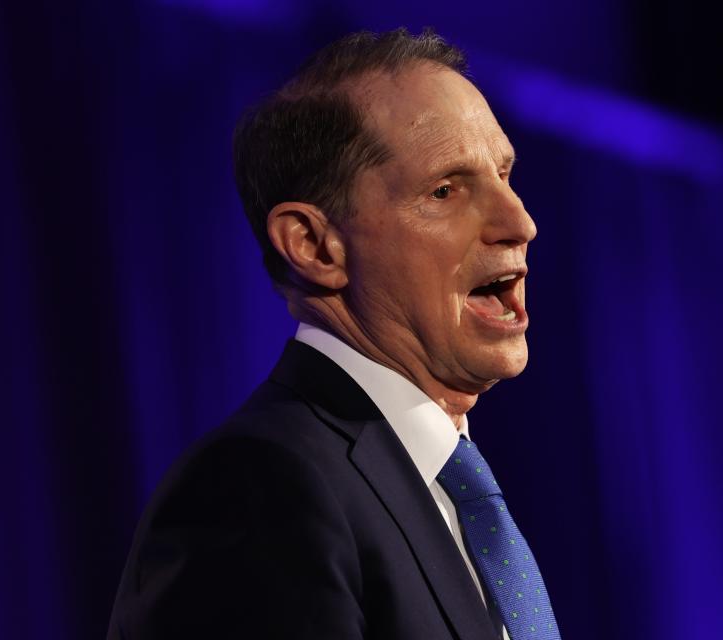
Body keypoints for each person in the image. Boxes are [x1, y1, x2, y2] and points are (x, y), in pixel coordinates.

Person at [108, 28, 560, 640]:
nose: (520, 222)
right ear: (314, 246)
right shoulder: (257, 490)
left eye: (506, 175)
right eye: (446, 191)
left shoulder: (450, 490)